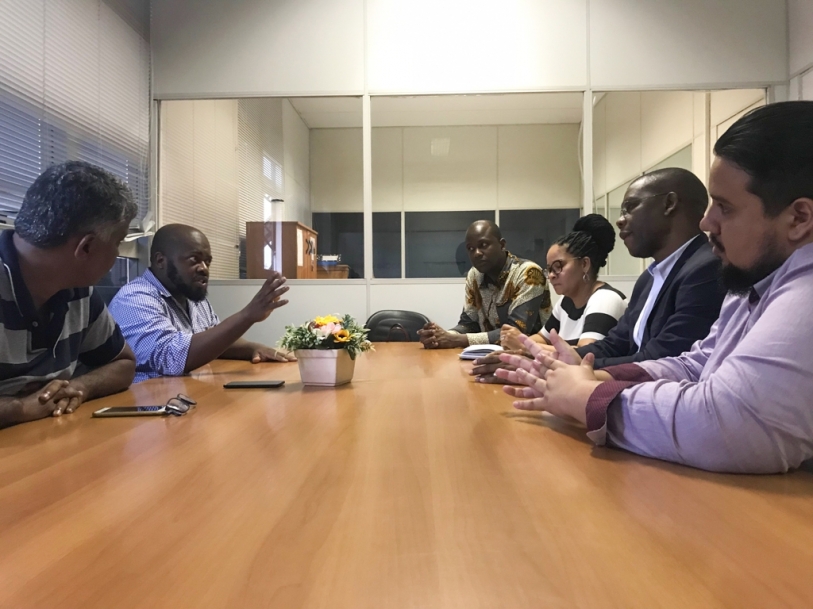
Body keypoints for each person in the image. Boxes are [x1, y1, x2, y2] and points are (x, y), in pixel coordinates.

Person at [497, 101, 813, 474]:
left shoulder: (800, 292)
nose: (707, 222)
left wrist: (587, 397)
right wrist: (594, 374)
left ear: (799, 218)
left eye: (725, 208)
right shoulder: (753, 279)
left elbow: (728, 423)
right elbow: (699, 362)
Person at [472, 168, 725, 379]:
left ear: (669, 204)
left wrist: (560, 367)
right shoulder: (649, 278)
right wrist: (544, 359)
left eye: (630, 207)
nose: (620, 220)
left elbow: (661, 360)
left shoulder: (705, 269)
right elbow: (616, 344)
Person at [0, 161, 137, 426]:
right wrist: (19, 409)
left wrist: (81, 387)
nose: (118, 254)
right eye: (118, 242)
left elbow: (124, 364)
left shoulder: (78, 289)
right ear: (86, 247)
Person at [109, 224, 294, 383]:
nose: (204, 269)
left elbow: (215, 338)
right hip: (148, 406)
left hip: (185, 396)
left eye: (207, 261)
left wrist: (253, 348)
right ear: (160, 260)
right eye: (194, 260)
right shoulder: (135, 299)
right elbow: (173, 358)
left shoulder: (192, 297)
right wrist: (247, 315)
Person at [500, 214, 627, 352]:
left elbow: (585, 354)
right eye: (549, 269)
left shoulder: (605, 299)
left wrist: (525, 346)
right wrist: (516, 341)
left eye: (558, 266)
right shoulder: (566, 301)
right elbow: (542, 338)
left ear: (584, 264)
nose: (551, 275)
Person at [418, 220, 551, 349]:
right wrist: (440, 336)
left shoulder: (529, 273)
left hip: (534, 356)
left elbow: (515, 333)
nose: (476, 253)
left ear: (502, 245)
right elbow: (469, 323)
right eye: (470, 248)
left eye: (483, 245)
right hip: (490, 354)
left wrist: (455, 340)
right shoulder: (474, 275)